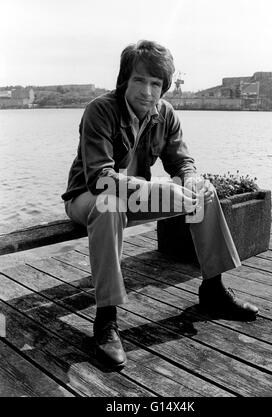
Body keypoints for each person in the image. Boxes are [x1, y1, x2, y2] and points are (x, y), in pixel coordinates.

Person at [62, 40, 258, 369]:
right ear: (125, 79)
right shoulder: (100, 110)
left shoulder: (165, 114)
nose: (148, 92)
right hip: (88, 197)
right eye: (140, 80)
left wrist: (190, 180)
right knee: (109, 204)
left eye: (156, 84)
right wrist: (161, 192)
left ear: (164, 86)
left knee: (205, 192)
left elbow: (183, 164)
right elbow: (101, 179)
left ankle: (213, 289)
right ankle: (106, 319)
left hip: (134, 197)